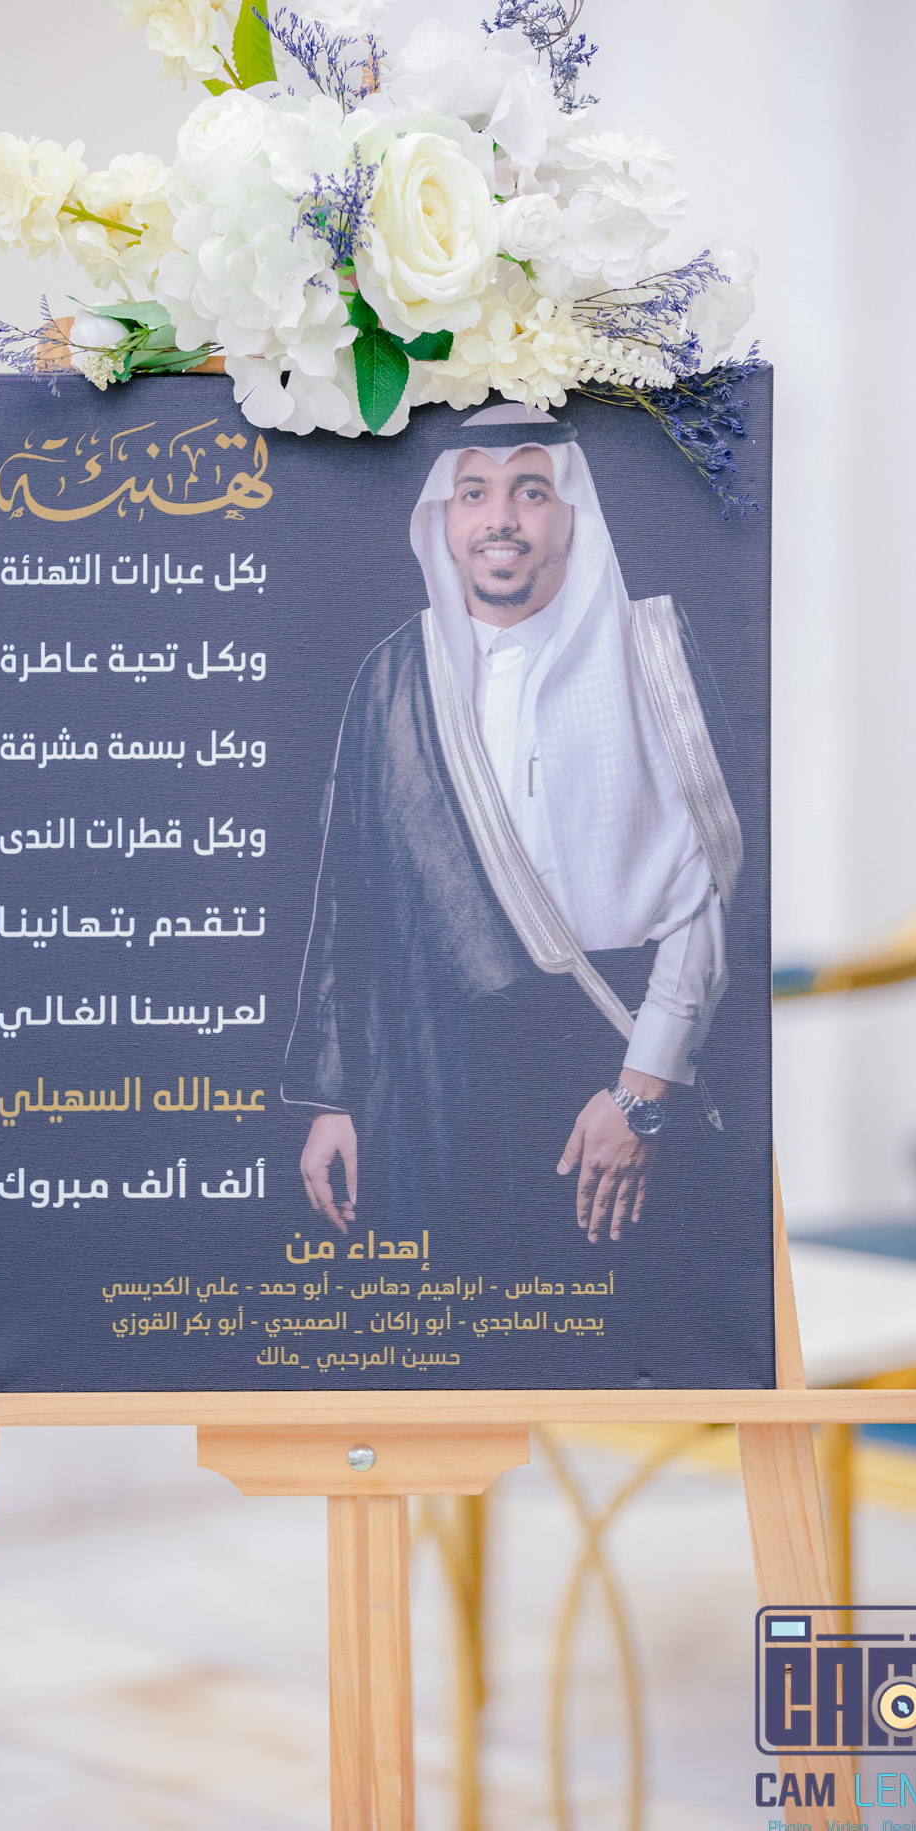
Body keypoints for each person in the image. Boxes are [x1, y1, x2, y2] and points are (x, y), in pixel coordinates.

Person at [282, 407, 742, 1248]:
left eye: (530, 492)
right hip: (439, 1085)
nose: (499, 519)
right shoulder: (394, 675)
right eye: (473, 493)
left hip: (613, 1056)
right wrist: (337, 1100)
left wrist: (642, 1089)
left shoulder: (651, 656)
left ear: (572, 516)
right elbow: (351, 901)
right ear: (442, 520)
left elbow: (709, 886)